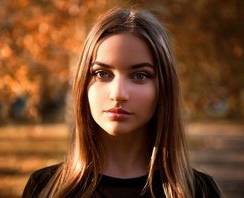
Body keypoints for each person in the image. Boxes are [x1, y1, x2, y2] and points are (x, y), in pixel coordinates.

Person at [22, 7, 222, 198]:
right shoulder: (44, 188)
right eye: (102, 73)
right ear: (83, 84)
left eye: (140, 75)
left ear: (164, 88)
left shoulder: (198, 191)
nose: (118, 94)